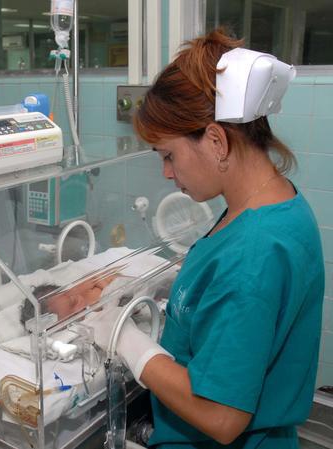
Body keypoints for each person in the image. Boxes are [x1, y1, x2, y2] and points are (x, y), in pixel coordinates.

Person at [88, 29, 325, 448]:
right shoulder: (272, 203)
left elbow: (221, 415)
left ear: (216, 140)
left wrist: (123, 338)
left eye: (168, 155)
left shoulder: (256, 252)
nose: (166, 172)